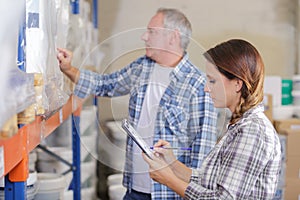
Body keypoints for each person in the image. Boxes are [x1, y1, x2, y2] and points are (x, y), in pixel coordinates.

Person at [57, 8, 217, 200]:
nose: (144, 37)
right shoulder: (142, 67)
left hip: (169, 194)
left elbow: (202, 151)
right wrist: (68, 69)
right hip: (135, 190)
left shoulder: (198, 85)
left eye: (152, 31)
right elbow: (105, 85)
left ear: (173, 38)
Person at [143, 39, 282, 199]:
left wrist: (169, 180)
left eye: (212, 81)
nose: (206, 88)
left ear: (237, 84)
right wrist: (172, 164)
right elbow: (210, 181)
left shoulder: (252, 130)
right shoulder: (239, 125)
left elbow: (223, 198)